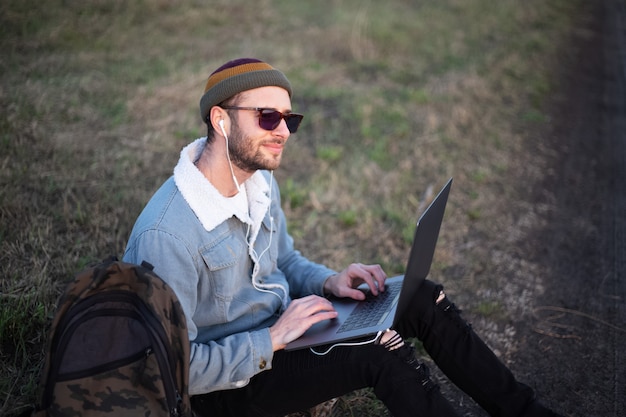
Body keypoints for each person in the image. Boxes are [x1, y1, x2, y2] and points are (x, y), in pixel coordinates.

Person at [123, 58, 562, 417]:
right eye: (268, 117)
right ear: (220, 119)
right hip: (228, 387)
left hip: (285, 333)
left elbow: (286, 262)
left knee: (419, 298)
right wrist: (272, 338)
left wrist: (330, 282)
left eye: (288, 119)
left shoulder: (256, 181)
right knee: (379, 352)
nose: (282, 132)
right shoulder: (168, 235)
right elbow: (170, 368)